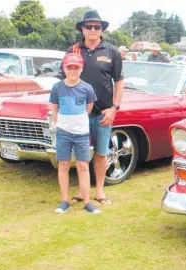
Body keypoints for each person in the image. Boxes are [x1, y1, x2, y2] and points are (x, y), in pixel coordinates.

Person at [58, 10, 125, 206]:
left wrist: (114, 108)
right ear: (82, 29)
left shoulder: (111, 51)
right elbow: (62, 81)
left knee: (102, 153)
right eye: (89, 26)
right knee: (81, 154)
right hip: (78, 114)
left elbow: (119, 81)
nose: (93, 30)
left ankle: (100, 191)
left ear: (102, 28)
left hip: (103, 112)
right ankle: (81, 190)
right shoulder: (73, 51)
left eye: (97, 26)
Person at [49, 53, 101, 214]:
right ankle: (65, 201)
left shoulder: (87, 88)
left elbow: (89, 108)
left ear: (81, 69)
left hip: (81, 133)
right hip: (63, 132)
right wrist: (60, 123)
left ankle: (87, 201)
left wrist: (77, 122)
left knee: (83, 165)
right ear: (64, 68)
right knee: (63, 165)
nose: (72, 71)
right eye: (69, 68)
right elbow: (54, 107)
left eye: (76, 68)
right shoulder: (57, 87)